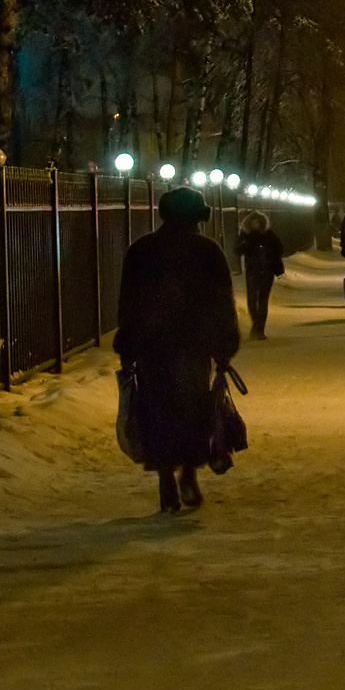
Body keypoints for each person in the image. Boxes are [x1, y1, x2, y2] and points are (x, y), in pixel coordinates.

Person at [114, 186, 241, 513]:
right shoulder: (207, 251)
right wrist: (224, 345)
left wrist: (128, 345)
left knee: (156, 409)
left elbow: (129, 302)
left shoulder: (141, 250)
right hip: (194, 344)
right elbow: (221, 302)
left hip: (152, 345)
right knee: (193, 406)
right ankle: (187, 471)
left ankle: (165, 477)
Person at [233, 210, 285, 340]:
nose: (255, 224)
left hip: (267, 270)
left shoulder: (269, 235)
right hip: (252, 270)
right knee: (251, 299)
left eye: (257, 222)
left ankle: (259, 329)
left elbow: (279, 249)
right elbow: (237, 250)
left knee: (262, 299)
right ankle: (256, 324)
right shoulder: (246, 236)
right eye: (252, 222)